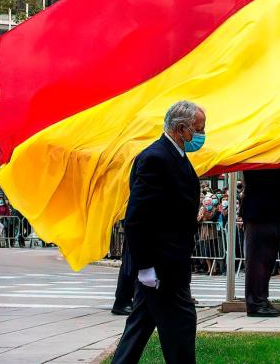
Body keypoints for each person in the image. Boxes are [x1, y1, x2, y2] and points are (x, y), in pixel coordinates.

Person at [109, 101, 205, 364]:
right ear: (181, 129)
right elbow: (138, 218)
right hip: (163, 264)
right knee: (182, 324)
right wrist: (145, 267)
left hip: (170, 261)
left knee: (140, 325)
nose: (201, 134)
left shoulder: (174, 155)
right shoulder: (155, 158)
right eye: (198, 129)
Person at [241, 165, 280, 316]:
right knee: (259, 260)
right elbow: (279, 182)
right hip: (261, 210)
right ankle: (256, 302)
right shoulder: (265, 154)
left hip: (268, 210)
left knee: (265, 260)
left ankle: (261, 299)